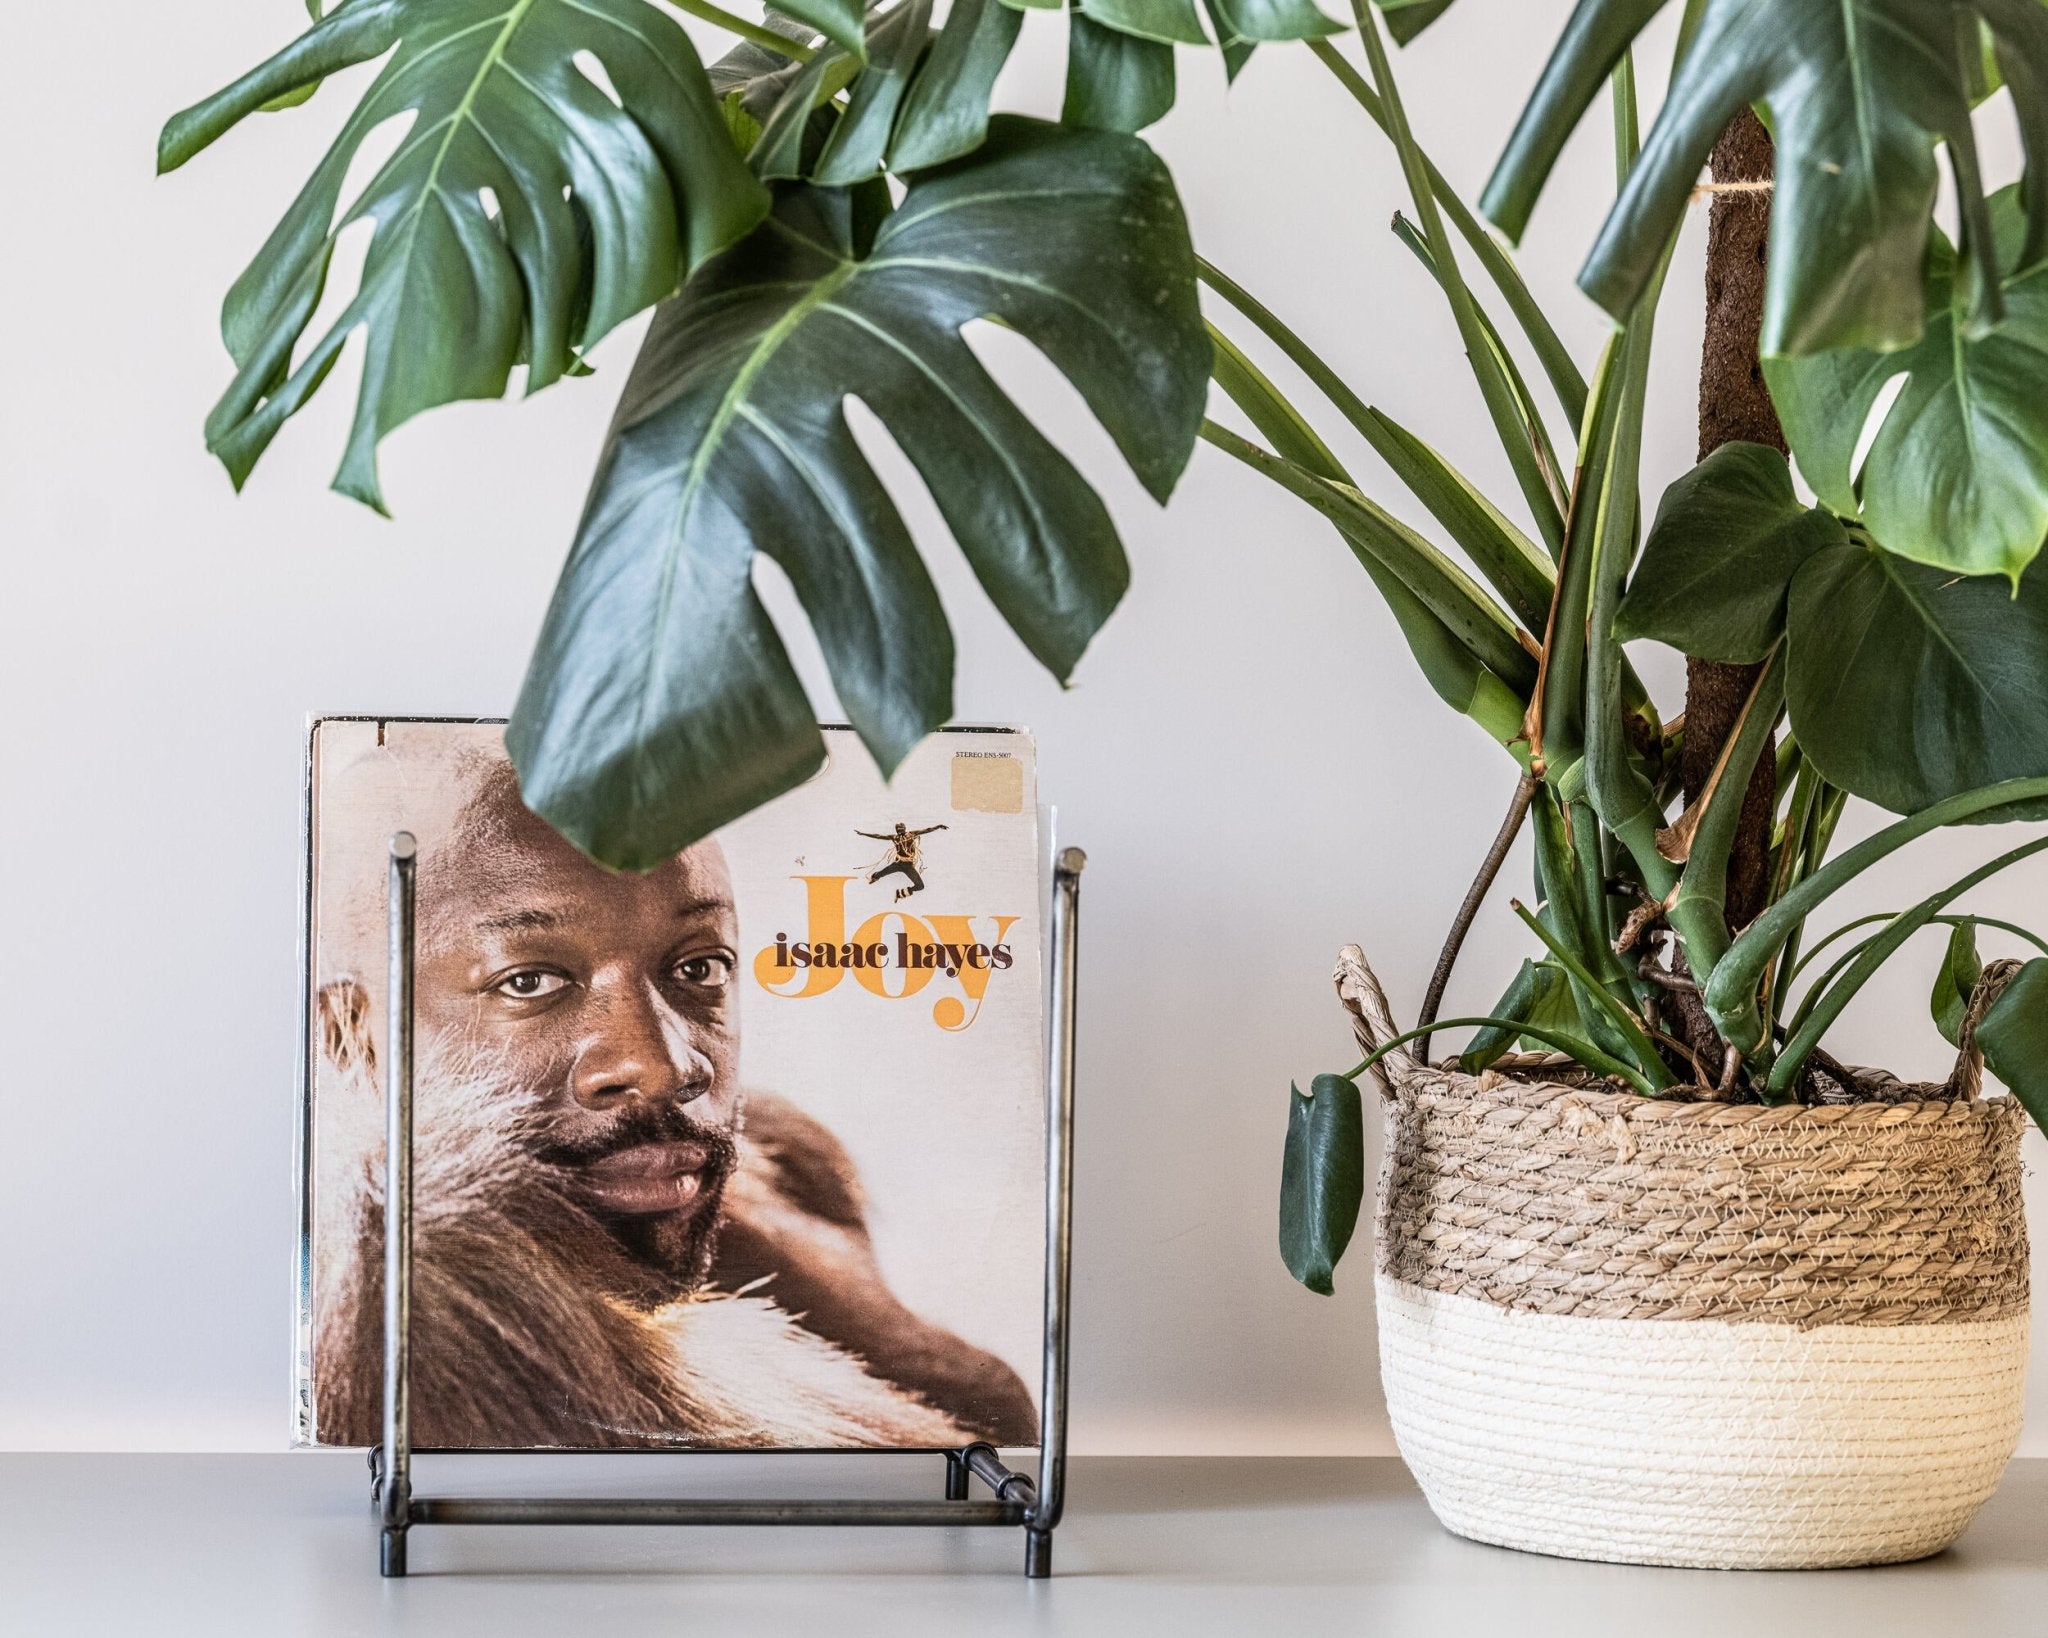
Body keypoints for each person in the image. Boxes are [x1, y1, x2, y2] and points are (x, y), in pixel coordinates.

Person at [311, 758, 1036, 1450]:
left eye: (699, 966)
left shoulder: (773, 1169)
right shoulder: (406, 1283)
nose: (666, 1068)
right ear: (352, 1037)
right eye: (528, 982)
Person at [857, 820, 948, 902]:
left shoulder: (912, 834)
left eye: (901, 830)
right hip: (898, 863)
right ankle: (874, 877)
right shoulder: (895, 837)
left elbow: (926, 830)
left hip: (908, 866)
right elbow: (878, 836)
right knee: (881, 873)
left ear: (904, 829)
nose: (900, 832)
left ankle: (900, 893)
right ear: (896, 830)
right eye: (898, 830)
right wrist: (864, 834)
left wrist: (938, 826)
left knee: (920, 886)